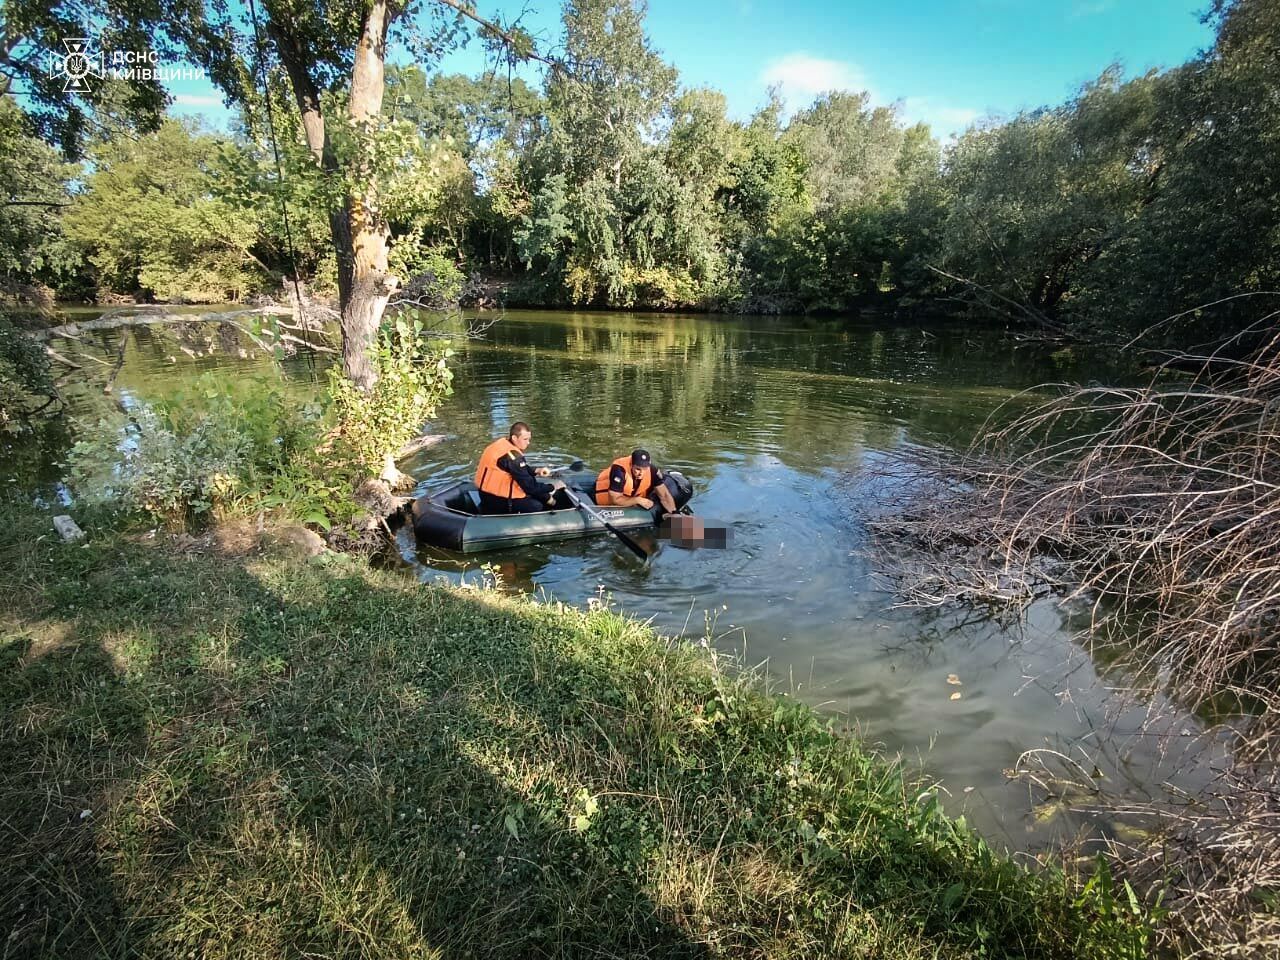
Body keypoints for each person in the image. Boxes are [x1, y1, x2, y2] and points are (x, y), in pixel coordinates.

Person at [474, 422, 564, 514]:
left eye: (529, 439)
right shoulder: (513, 457)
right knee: (536, 506)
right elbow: (530, 487)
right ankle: (555, 510)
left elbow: (517, 468)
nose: (528, 442)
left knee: (542, 493)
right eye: (525, 439)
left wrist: (536, 470)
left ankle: (553, 504)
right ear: (514, 438)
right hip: (498, 501)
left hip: (484, 495)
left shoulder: (501, 445)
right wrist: (553, 486)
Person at [594, 448, 678, 515]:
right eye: (638, 469)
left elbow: (664, 495)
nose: (641, 473)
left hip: (631, 496)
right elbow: (615, 500)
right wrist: (638, 500)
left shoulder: (652, 470)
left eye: (645, 469)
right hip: (604, 501)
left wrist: (674, 512)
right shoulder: (619, 470)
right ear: (631, 465)